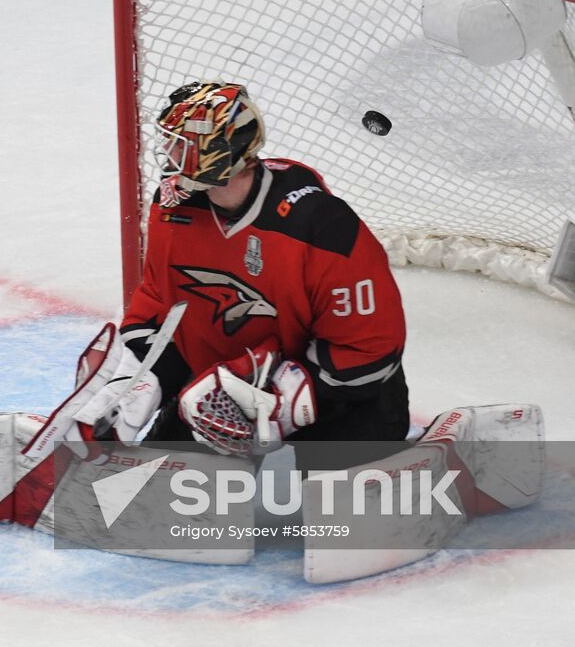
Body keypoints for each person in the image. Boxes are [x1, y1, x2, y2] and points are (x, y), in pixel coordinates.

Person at [105, 81, 411, 470]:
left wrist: (276, 403)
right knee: (140, 493)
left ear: (220, 153)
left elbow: (371, 347)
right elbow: (161, 299)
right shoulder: (173, 209)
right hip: (221, 403)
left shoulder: (320, 224)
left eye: (182, 144)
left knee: (292, 519)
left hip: (340, 408)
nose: (169, 153)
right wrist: (142, 376)